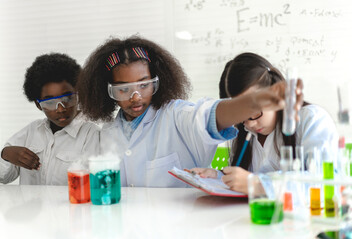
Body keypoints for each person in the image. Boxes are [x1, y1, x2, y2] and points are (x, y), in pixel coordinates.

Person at [77, 36, 303, 188]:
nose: (135, 97)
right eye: (124, 89)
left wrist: (256, 101)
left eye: (144, 85)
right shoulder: (106, 134)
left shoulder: (176, 116)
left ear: (159, 81)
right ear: (106, 91)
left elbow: (211, 117)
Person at [191, 52, 338, 194]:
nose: (249, 125)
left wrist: (257, 184)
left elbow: (326, 181)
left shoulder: (312, 119)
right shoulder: (246, 133)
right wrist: (218, 176)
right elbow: (244, 179)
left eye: (254, 111)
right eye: (240, 117)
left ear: (272, 93)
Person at [0, 53, 100, 185]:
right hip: (32, 206)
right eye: (50, 102)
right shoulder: (32, 131)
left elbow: (95, 183)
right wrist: (6, 154)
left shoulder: (91, 134)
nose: (60, 109)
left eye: (67, 98)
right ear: (38, 105)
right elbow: (2, 176)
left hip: (71, 205)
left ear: (78, 95)